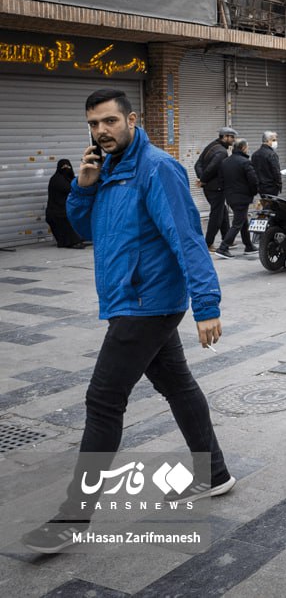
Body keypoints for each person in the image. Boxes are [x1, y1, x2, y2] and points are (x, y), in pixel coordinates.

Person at [22, 89, 233, 554]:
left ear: (132, 119)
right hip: (129, 299)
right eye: (94, 124)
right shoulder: (110, 170)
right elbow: (84, 229)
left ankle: (72, 517)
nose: (102, 131)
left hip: (148, 302)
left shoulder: (157, 169)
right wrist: (85, 183)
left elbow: (186, 238)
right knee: (176, 384)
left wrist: (207, 304)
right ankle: (214, 472)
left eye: (110, 121)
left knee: (102, 400)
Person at [214, 139, 258, 259]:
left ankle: (248, 246)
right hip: (242, 198)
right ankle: (223, 247)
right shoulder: (245, 162)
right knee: (238, 223)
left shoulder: (225, 162)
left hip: (230, 197)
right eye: (247, 147)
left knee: (242, 220)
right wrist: (253, 193)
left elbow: (221, 181)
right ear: (243, 148)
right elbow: (253, 181)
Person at [194, 127, 235, 249]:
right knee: (216, 216)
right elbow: (211, 168)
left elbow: (198, 164)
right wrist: (203, 180)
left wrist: (202, 179)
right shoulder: (222, 152)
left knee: (222, 212)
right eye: (232, 137)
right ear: (225, 137)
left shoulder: (212, 145)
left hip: (209, 187)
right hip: (216, 188)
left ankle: (227, 238)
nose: (233, 140)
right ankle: (208, 243)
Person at [45, 159, 84, 248]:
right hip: (57, 213)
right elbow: (71, 189)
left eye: (68, 167)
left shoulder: (69, 179)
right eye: (63, 167)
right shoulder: (56, 180)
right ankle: (72, 242)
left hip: (65, 210)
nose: (66, 169)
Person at [251, 131, 282, 197]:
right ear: (268, 141)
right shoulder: (272, 154)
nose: (275, 142)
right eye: (274, 140)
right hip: (271, 187)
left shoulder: (255, 154)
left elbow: (253, 171)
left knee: (265, 204)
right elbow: (276, 171)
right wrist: (279, 184)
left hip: (260, 187)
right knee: (271, 205)